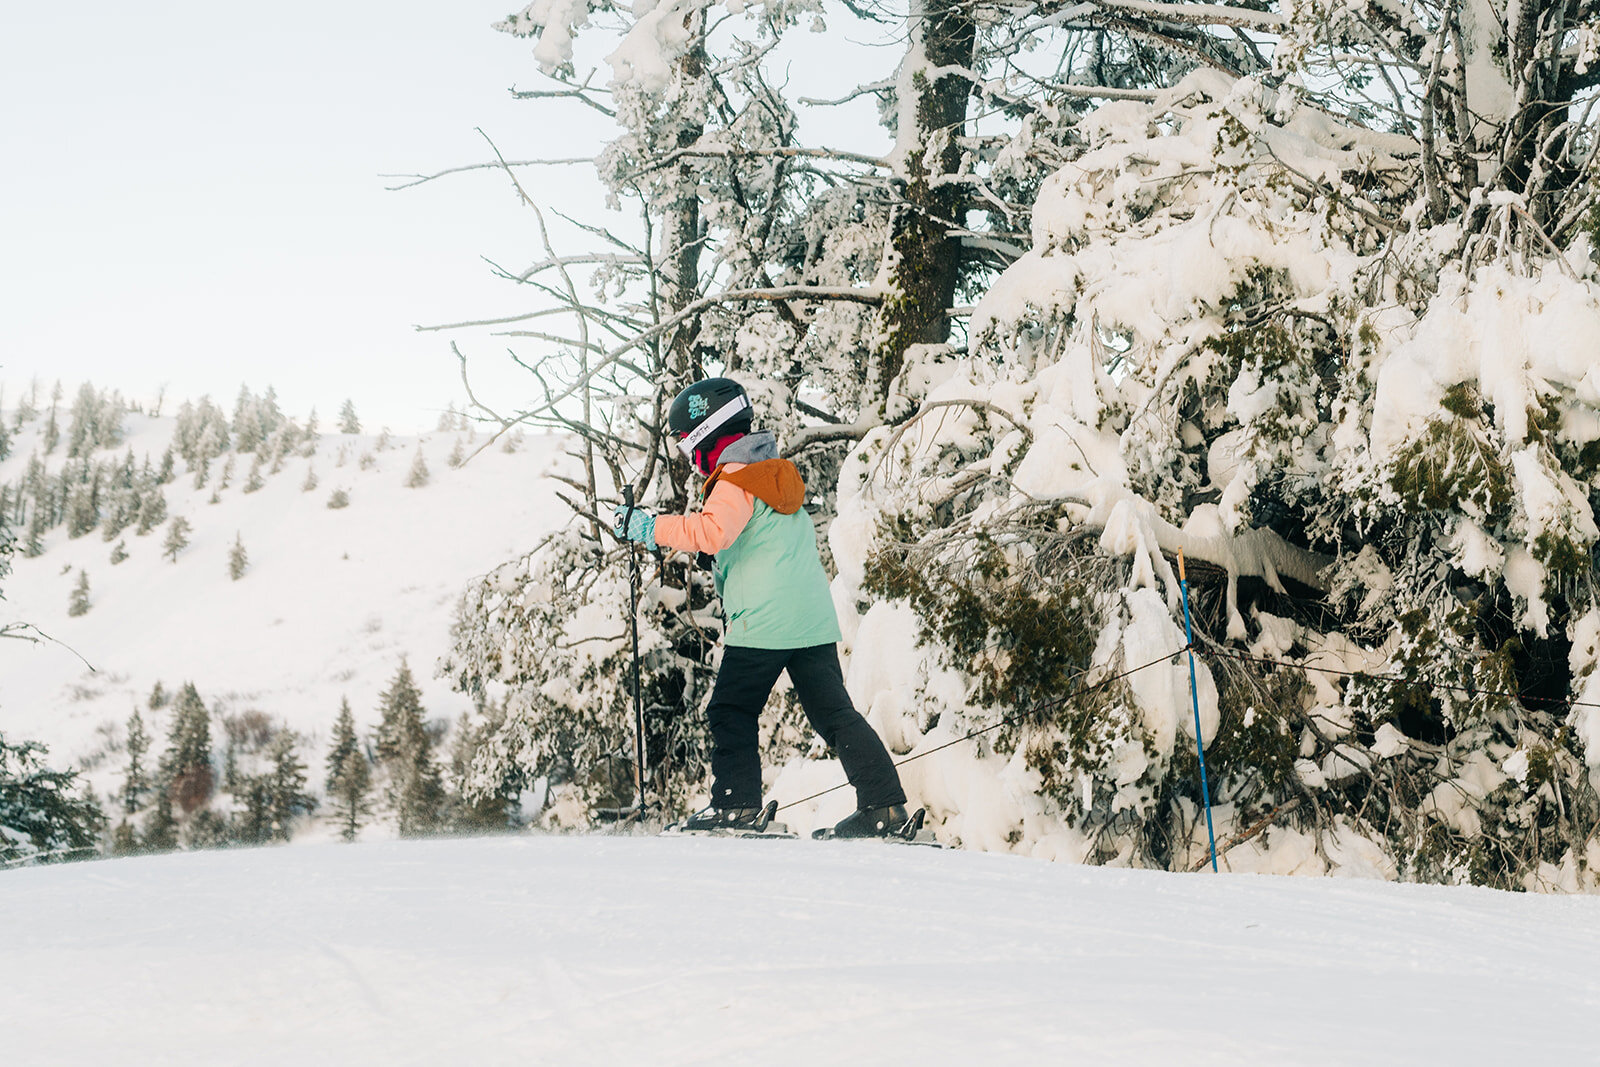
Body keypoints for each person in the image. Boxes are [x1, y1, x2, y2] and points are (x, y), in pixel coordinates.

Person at [613, 378, 911, 837]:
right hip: (811, 621)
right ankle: (883, 806)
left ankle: (735, 806)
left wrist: (647, 527)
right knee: (834, 715)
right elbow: (753, 542)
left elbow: (711, 532)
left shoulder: (733, 478)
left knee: (730, 709)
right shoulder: (772, 474)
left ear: (704, 436)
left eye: (686, 445)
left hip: (766, 623)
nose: (690, 460)